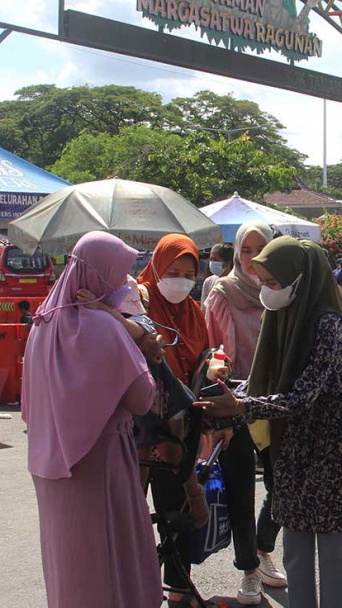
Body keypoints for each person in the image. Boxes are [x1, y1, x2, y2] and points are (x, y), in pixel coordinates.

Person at [196, 236, 342, 608]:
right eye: (262, 282)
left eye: (272, 283)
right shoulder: (278, 314)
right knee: (296, 552)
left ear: (299, 278)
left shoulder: (327, 323)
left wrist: (241, 407)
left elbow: (302, 395)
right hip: (294, 451)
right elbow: (265, 375)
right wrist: (232, 394)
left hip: (335, 452)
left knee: (333, 557)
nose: (267, 291)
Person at [21, 231, 161, 608]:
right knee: (108, 561)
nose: (122, 283)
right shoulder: (103, 327)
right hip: (101, 461)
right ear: (100, 275)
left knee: (69, 561)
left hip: (51, 461)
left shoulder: (43, 323)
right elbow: (142, 397)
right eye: (117, 274)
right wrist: (131, 334)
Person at [137, 234, 232, 607]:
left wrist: (213, 366)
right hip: (138, 428)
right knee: (131, 512)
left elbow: (203, 356)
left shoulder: (193, 312)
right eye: (172, 271)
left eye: (187, 272)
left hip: (179, 428)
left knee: (176, 511)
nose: (179, 279)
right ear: (157, 267)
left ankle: (178, 589)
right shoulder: (137, 300)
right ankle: (136, 587)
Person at [203, 220, 288, 599]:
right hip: (233, 400)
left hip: (273, 402)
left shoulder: (282, 294)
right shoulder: (223, 293)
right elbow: (212, 353)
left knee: (281, 485)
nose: (254, 260)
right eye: (247, 251)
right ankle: (249, 570)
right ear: (237, 254)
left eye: (261, 250)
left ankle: (263, 547)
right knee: (240, 490)